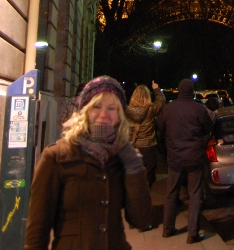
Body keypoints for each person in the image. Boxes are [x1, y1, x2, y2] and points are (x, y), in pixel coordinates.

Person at [24, 75, 151, 250]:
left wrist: (133, 166)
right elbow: (37, 231)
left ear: (119, 115)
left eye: (111, 108)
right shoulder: (56, 157)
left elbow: (141, 219)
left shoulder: (122, 157)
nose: (103, 114)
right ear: (85, 111)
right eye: (96, 106)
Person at [156, 78, 213, 244]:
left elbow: (160, 127)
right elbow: (208, 128)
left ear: (179, 91)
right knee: (195, 194)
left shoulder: (168, 109)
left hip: (175, 157)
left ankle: (167, 229)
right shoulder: (198, 109)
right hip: (194, 157)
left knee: (171, 193)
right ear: (192, 92)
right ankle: (192, 233)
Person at [126, 80, 165, 186]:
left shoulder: (127, 111)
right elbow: (161, 102)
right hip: (148, 147)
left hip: (132, 148)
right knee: (148, 178)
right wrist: (156, 89)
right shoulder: (151, 109)